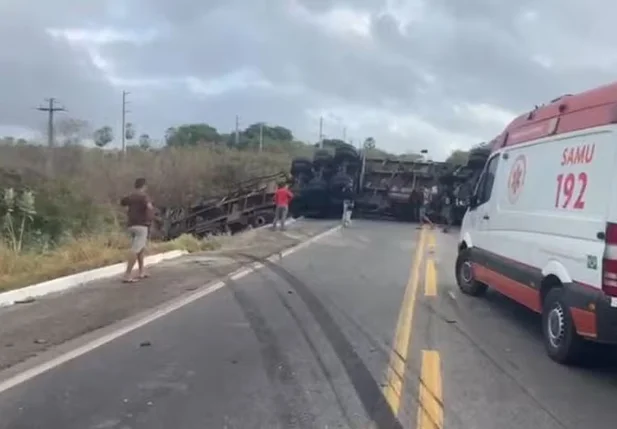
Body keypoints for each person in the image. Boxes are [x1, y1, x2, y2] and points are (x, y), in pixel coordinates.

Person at [120, 177, 155, 283]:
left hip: (131, 225)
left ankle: (141, 271)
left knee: (140, 248)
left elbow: (123, 202)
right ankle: (127, 275)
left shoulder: (131, 196)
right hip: (142, 226)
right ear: (144, 186)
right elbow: (149, 208)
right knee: (135, 250)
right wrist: (150, 220)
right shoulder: (144, 197)